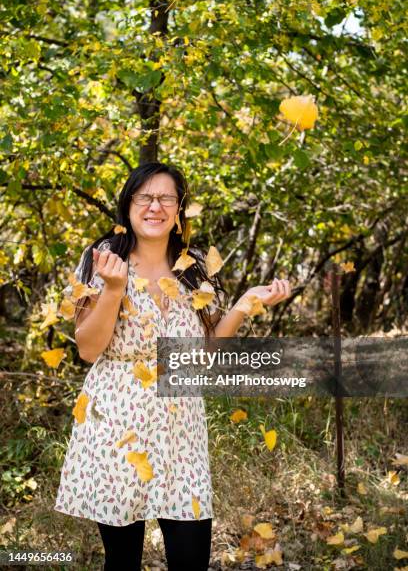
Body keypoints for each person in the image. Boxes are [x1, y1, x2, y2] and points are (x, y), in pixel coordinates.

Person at [54, 162, 291, 570]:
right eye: (144, 197)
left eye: (166, 198)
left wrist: (247, 302)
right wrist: (114, 289)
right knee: (122, 560)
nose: (154, 206)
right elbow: (89, 349)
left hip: (182, 424)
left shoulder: (195, 264)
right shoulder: (102, 258)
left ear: (179, 209)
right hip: (116, 422)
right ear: (127, 205)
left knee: (191, 555)